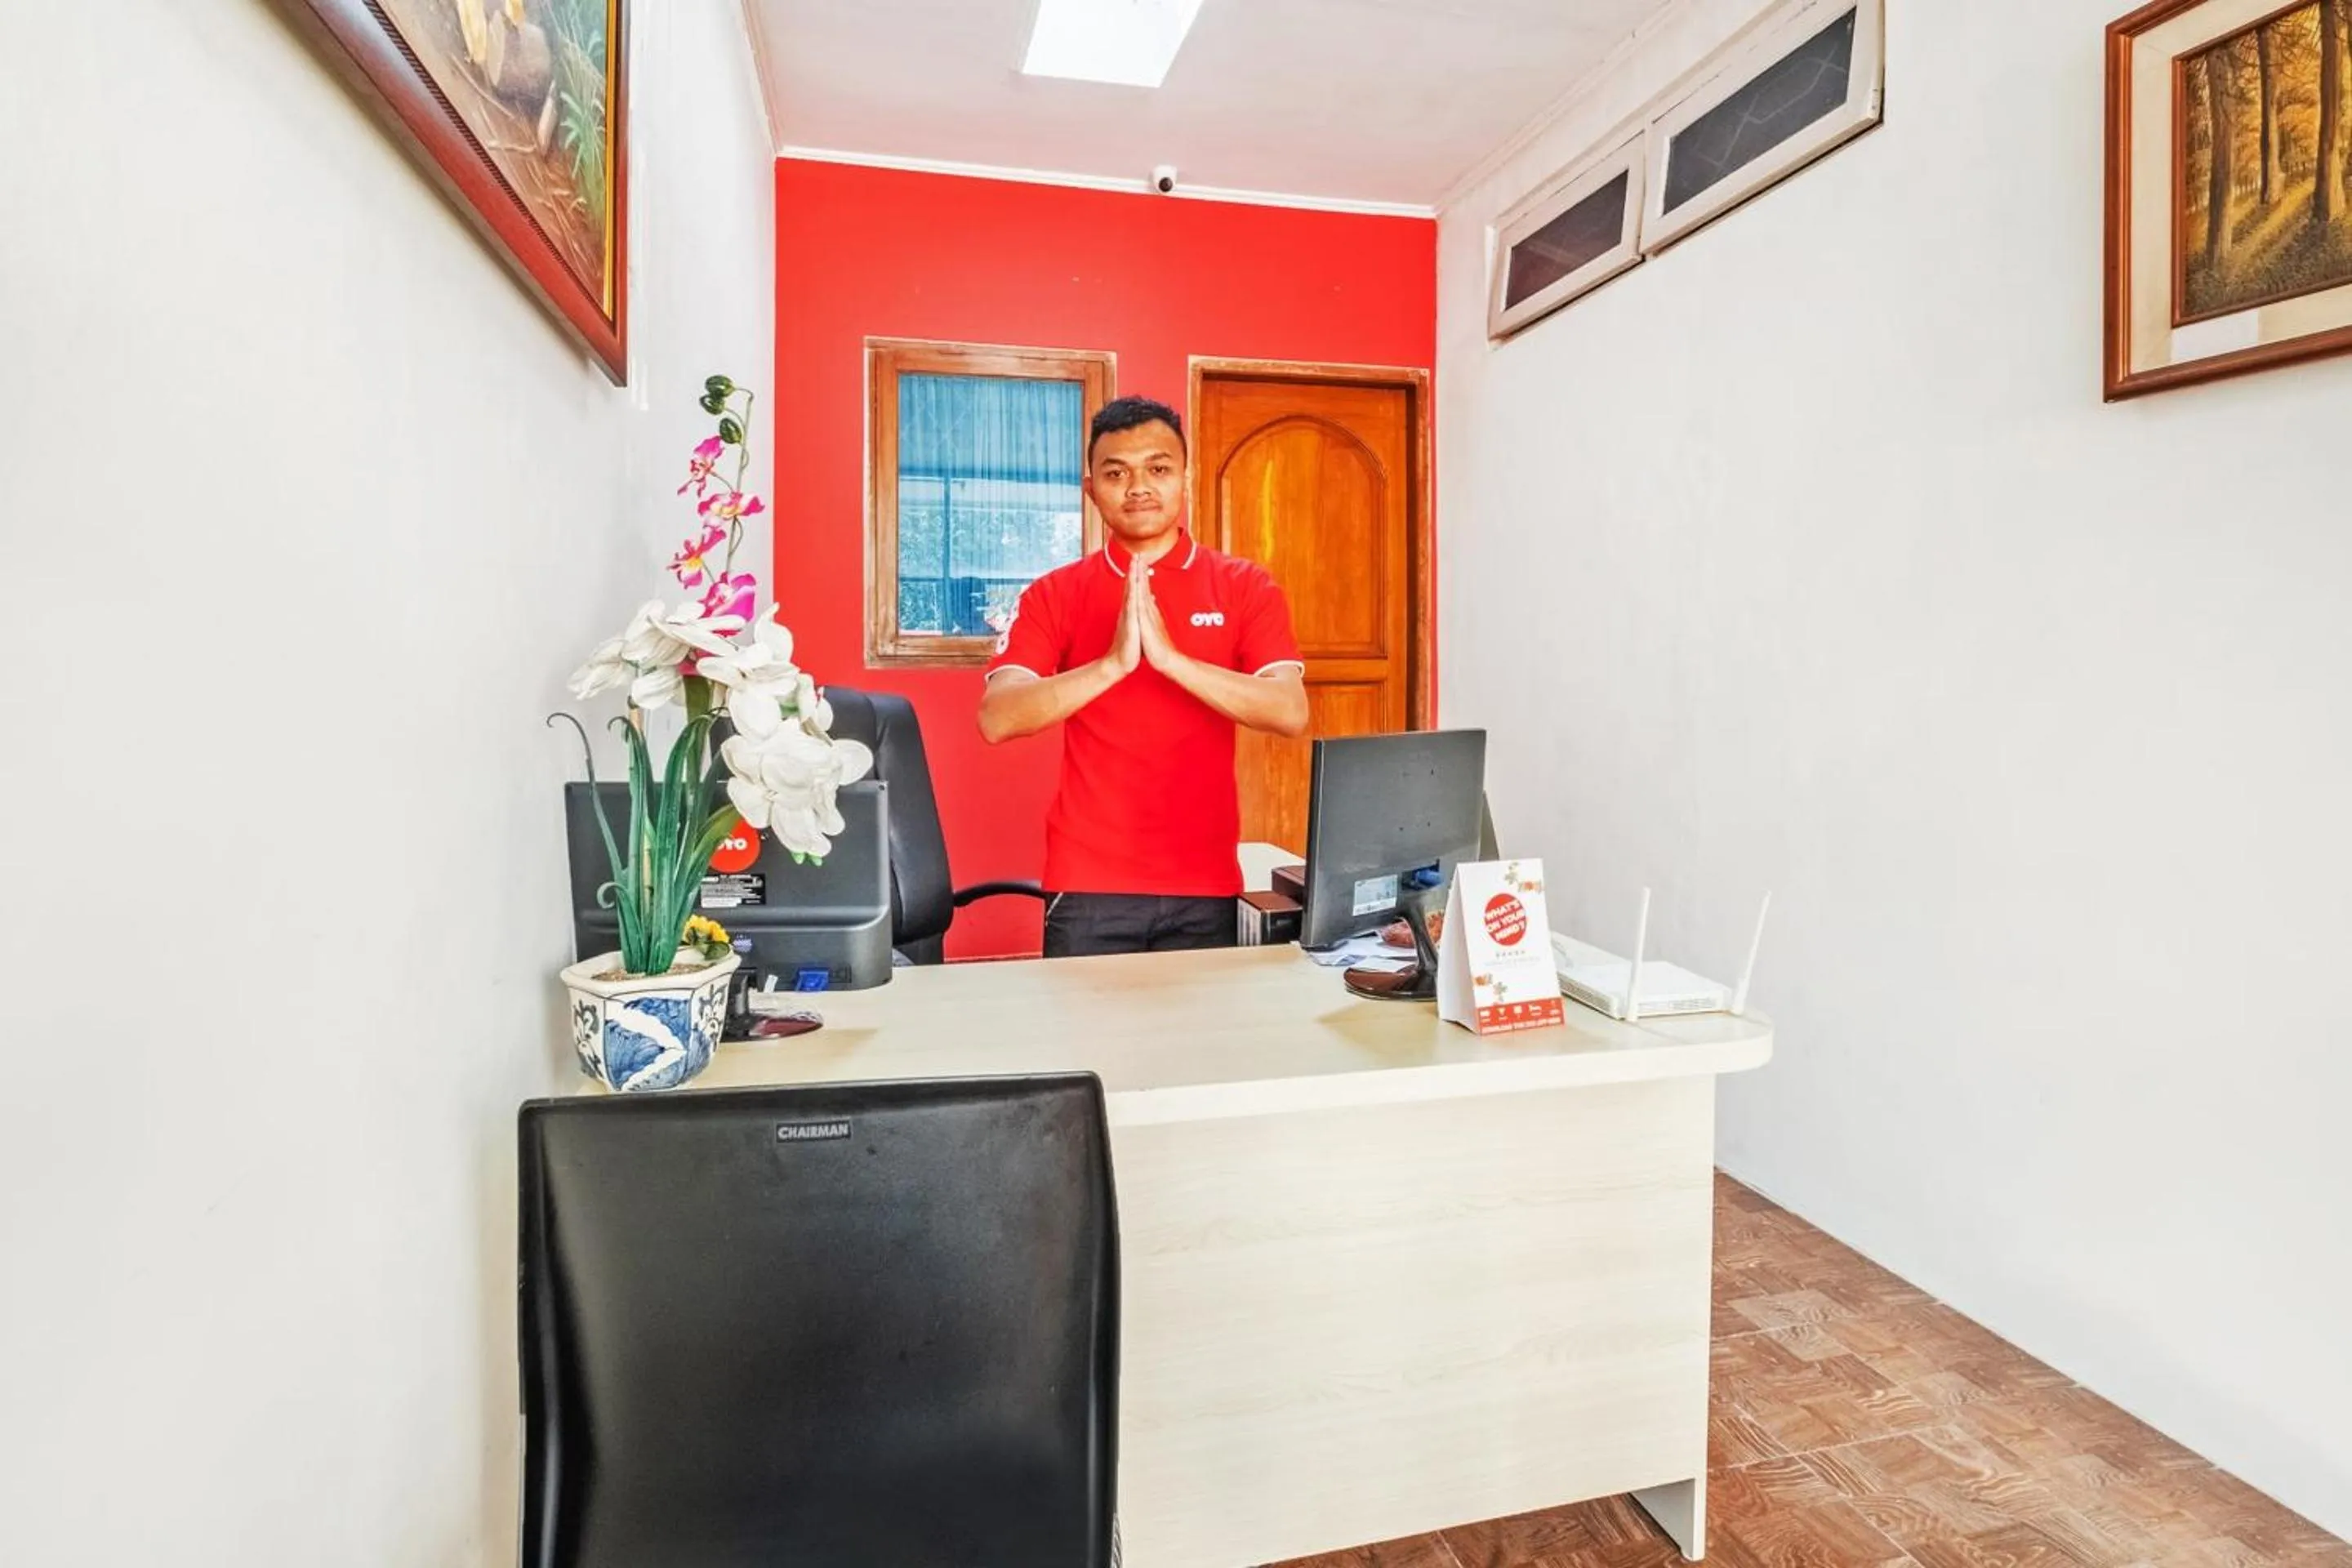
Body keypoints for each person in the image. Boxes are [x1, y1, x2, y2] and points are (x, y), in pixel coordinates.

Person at [978, 395, 1308, 958]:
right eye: (1116, 473)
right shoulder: (1054, 593)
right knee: (1084, 1020)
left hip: (1204, 880)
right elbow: (997, 718)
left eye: (1158, 469)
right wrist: (1113, 664)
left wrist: (1173, 661)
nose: (1138, 487)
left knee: (1199, 1021)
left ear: (1185, 479)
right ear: (1091, 490)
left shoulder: (1244, 586)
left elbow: (1290, 711)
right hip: (1088, 883)